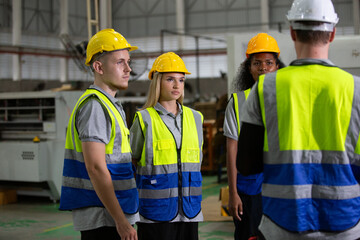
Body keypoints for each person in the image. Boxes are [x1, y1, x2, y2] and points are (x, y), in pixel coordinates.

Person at [237, 0, 360, 239]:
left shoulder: (265, 88)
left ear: (292, 32)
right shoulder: (356, 89)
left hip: (283, 221)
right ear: (332, 33)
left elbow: (247, 165)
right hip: (344, 219)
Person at [59, 28, 139, 240]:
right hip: (104, 216)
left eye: (128, 62)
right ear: (98, 67)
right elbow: (95, 167)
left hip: (112, 209)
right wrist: (120, 221)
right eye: (120, 62)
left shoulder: (110, 104)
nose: (128, 69)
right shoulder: (95, 106)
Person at [130, 52, 204, 240]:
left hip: (189, 209)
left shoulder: (195, 118)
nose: (176, 85)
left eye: (181, 79)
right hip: (156, 212)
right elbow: (132, 163)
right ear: (157, 82)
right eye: (170, 79)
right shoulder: (144, 119)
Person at [223, 33, 285, 240]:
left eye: (269, 62)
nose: (263, 67)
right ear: (248, 68)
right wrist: (233, 193)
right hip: (247, 189)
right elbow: (232, 149)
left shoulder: (287, 99)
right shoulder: (238, 101)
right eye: (257, 63)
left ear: (277, 66)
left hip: (279, 186)